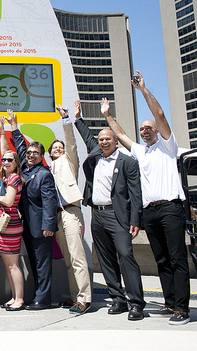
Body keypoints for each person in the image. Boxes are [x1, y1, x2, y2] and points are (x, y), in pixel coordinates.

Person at [101, 71, 190, 325]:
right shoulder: (141, 152)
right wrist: (108, 115)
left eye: (149, 128)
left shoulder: (167, 146)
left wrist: (143, 91)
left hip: (171, 208)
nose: (145, 131)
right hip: (149, 212)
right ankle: (170, 302)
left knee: (177, 258)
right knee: (161, 259)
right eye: (142, 129)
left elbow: (160, 115)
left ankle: (182, 309)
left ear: (157, 131)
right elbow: (121, 135)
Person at [75, 106, 146, 321]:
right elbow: (87, 136)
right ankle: (118, 299)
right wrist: (77, 118)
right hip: (97, 215)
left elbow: (136, 194)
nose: (104, 142)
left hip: (118, 216)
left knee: (125, 255)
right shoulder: (96, 156)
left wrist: (135, 220)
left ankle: (136, 303)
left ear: (116, 141)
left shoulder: (128, 162)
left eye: (108, 139)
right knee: (105, 259)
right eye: (101, 139)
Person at [3, 110, 59, 310]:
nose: (31, 155)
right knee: (34, 263)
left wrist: (48, 226)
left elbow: (50, 202)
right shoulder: (26, 169)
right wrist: (14, 127)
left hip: (41, 228)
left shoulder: (44, 174)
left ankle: (42, 299)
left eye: (35, 153)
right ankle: (38, 296)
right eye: (29, 153)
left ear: (42, 156)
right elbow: (20, 146)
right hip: (26, 226)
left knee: (43, 264)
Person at [47, 103, 92, 314]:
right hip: (56, 216)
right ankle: (75, 297)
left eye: (60, 147)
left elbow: (72, 143)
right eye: (54, 148)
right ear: (49, 153)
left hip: (71, 211)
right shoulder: (48, 169)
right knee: (68, 259)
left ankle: (84, 299)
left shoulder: (69, 161)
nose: (58, 149)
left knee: (77, 256)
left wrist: (66, 119)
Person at [0, 148, 25, 311]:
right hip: (3, 225)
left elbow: (8, 200)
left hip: (10, 226)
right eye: (4, 159)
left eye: (9, 160)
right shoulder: (5, 178)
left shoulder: (14, 179)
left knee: (13, 264)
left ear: (16, 163)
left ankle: (19, 299)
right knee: (8, 265)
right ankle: (14, 297)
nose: (6, 162)